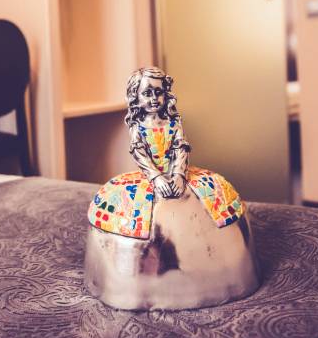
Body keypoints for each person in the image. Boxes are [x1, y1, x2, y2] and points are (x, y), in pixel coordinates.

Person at [89, 67, 244, 239]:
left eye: (159, 92)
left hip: (178, 173)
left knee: (217, 192)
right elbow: (140, 154)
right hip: (151, 176)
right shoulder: (137, 127)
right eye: (147, 93)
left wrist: (178, 175)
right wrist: (156, 177)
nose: (154, 99)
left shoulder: (174, 124)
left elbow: (181, 149)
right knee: (121, 203)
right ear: (136, 96)